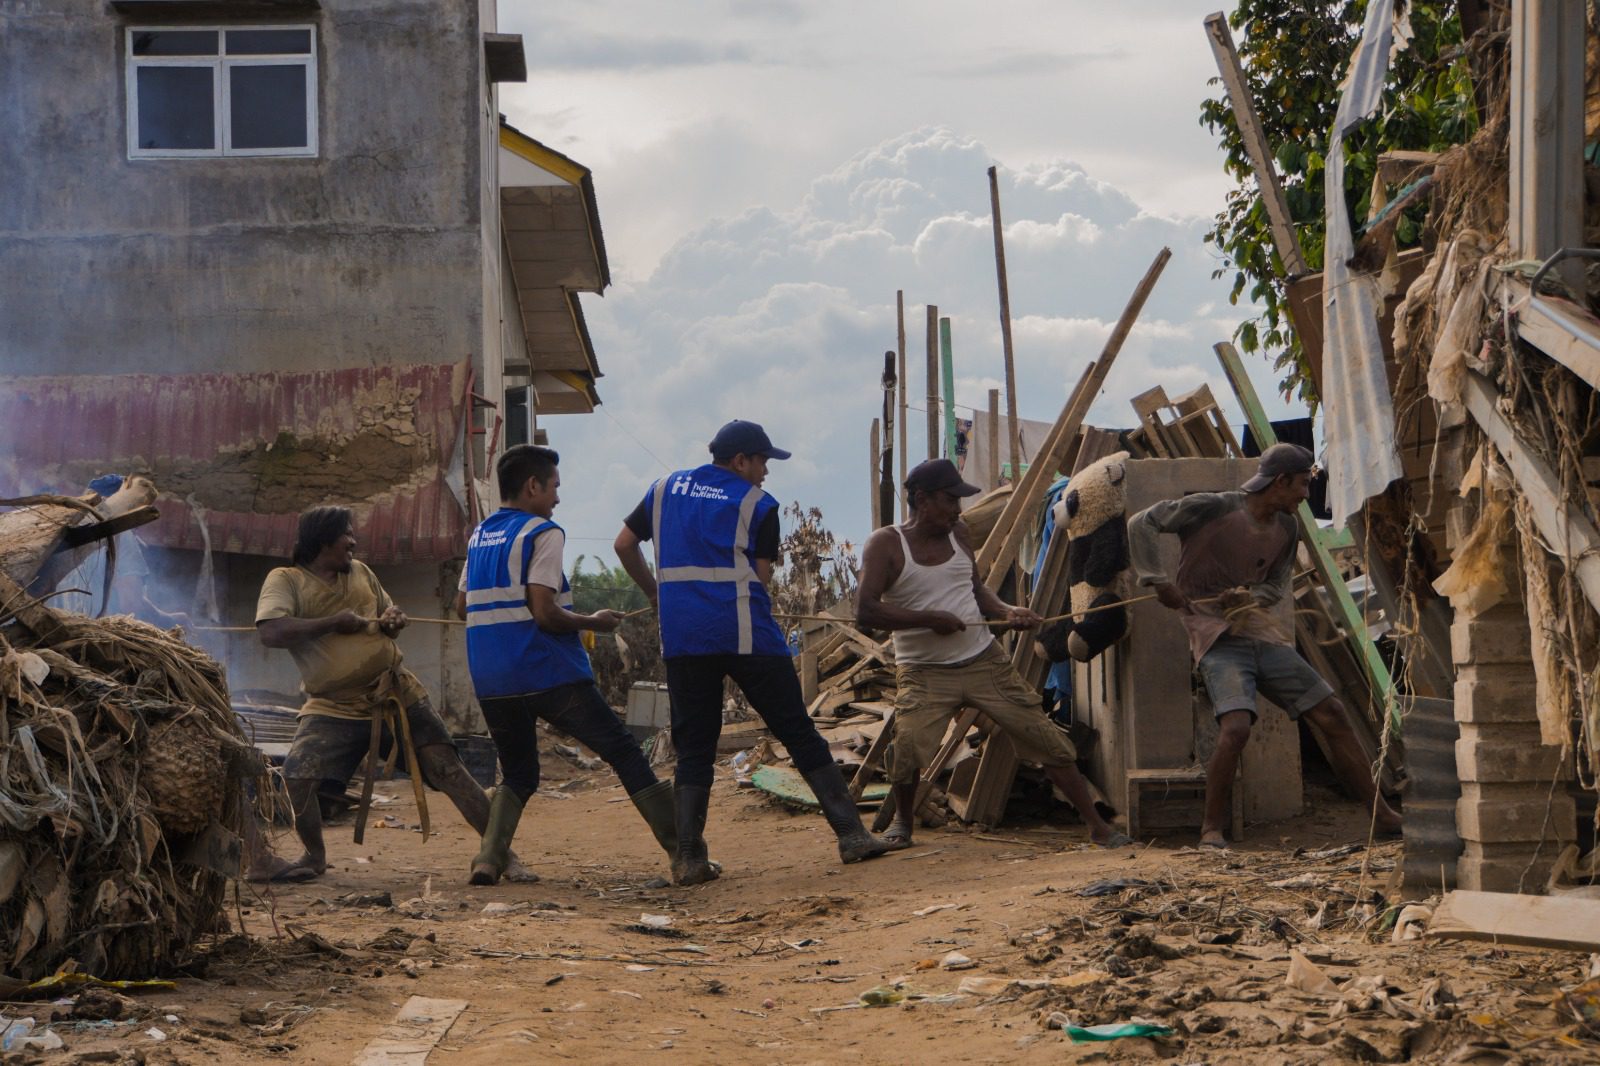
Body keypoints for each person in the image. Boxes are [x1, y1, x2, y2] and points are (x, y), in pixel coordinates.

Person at [614, 420, 893, 885]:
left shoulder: (662, 489)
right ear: (740, 460)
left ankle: (688, 859)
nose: (766, 473)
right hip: (746, 635)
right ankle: (851, 834)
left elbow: (624, 544)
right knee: (798, 732)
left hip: (685, 639)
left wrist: (655, 593)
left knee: (695, 748)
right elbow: (760, 579)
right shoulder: (759, 504)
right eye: (763, 461)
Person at [1127, 442, 1403, 849]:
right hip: (1214, 637)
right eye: (1304, 485)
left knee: (1333, 713)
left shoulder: (1287, 528)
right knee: (1236, 727)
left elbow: (1274, 585)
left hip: (1256, 633)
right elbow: (1140, 523)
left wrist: (1250, 598)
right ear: (1281, 481)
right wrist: (1156, 579)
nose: (1306, 495)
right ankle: (1211, 829)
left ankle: (1380, 813)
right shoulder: (1214, 507)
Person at [856, 458, 1133, 850]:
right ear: (922, 499)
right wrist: (929, 617)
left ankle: (1098, 827)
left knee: (1045, 738)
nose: (958, 509)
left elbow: (975, 589)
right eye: (951, 500)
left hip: (984, 661)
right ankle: (902, 825)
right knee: (908, 747)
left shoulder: (959, 534)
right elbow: (865, 611)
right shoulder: (885, 544)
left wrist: (1006, 611)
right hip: (923, 670)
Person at [254, 506, 528, 882]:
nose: (353, 541)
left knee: (449, 770)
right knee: (297, 780)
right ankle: (314, 858)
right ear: (323, 540)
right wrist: (334, 621)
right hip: (333, 706)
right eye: (346, 534)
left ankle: (502, 855)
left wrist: (394, 619)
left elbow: (387, 614)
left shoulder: (362, 572)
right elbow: (271, 632)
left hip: (396, 693)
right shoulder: (284, 580)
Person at [453, 444, 681, 884]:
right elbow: (545, 612)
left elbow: (463, 606)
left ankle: (488, 859)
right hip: (547, 673)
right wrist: (593, 621)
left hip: (492, 678)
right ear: (532, 486)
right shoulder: (544, 533)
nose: (558, 498)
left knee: (518, 773)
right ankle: (684, 852)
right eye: (554, 487)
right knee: (624, 751)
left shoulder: (480, 536)